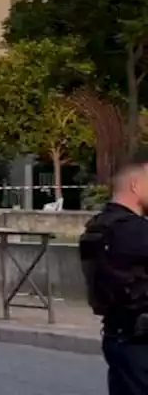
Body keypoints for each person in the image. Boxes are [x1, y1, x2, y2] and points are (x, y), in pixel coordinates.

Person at [81, 162, 148, 394]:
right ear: (135, 185)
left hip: (116, 336)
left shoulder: (97, 227)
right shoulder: (136, 231)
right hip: (140, 342)